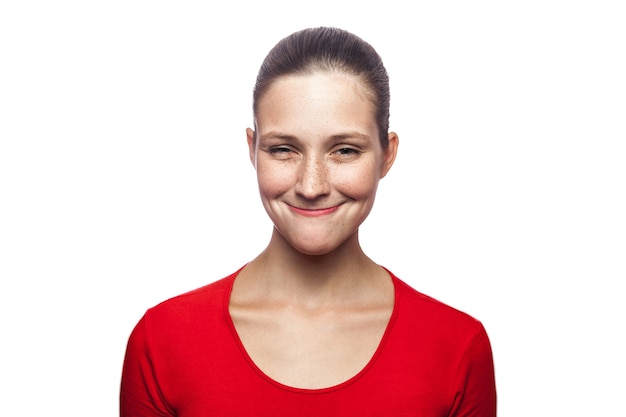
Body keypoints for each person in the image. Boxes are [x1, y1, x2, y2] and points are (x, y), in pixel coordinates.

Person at [120, 26, 497, 416]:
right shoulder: (165, 341)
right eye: (283, 149)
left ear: (387, 154)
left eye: (345, 150)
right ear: (252, 150)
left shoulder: (456, 347)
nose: (311, 185)